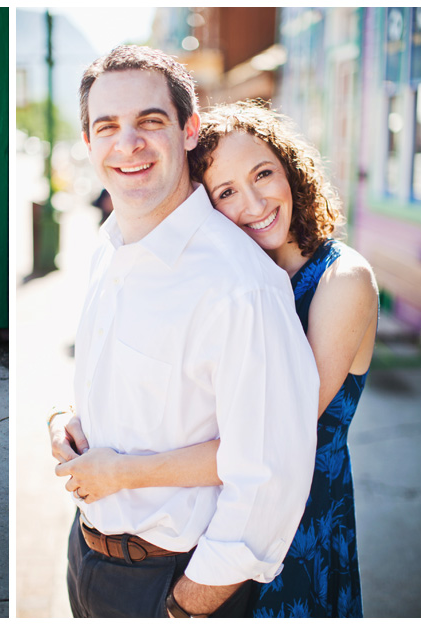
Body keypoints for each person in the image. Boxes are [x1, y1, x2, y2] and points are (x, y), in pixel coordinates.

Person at [57, 101, 379, 617]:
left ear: (291, 171)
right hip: (222, 524)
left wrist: (120, 473)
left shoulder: (342, 281)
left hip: (301, 520)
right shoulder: (225, 275)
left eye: (263, 174)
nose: (253, 203)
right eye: (226, 192)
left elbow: (272, 441)